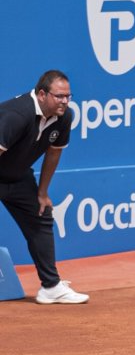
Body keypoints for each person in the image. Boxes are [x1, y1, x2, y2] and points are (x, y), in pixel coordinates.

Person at [0, 71, 89, 305]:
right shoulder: (17, 115)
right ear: (41, 94)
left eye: (68, 96)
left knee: (41, 216)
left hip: (17, 177)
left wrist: (42, 192)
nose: (65, 101)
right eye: (59, 96)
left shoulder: (64, 117)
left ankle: (51, 286)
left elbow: (54, 152)